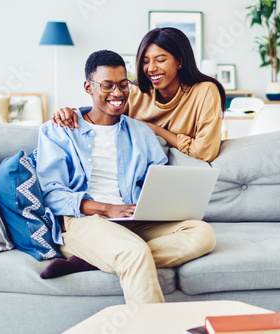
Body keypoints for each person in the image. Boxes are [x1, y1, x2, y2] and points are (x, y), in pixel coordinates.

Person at [36, 50, 216, 305]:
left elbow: (159, 178)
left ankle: (95, 259)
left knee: (202, 234)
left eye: (123, 85)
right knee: (134, 251)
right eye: (107, 85)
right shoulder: (59, 129)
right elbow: (51, 193)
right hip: (85, 219)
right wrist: (108, 209)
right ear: (88, 86)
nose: (118, 93)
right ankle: (121, 259)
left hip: (134, 218)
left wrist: (158, 203)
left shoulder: (141, 132)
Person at [52, 27, 226, 162]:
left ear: (180, 61)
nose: (151, 68)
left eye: (160, 60)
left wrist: (155, 130)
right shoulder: (135, 92)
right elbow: (103, 117)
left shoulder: (205, 91)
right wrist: (73, 113)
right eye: (145, 61)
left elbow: (205, 152)